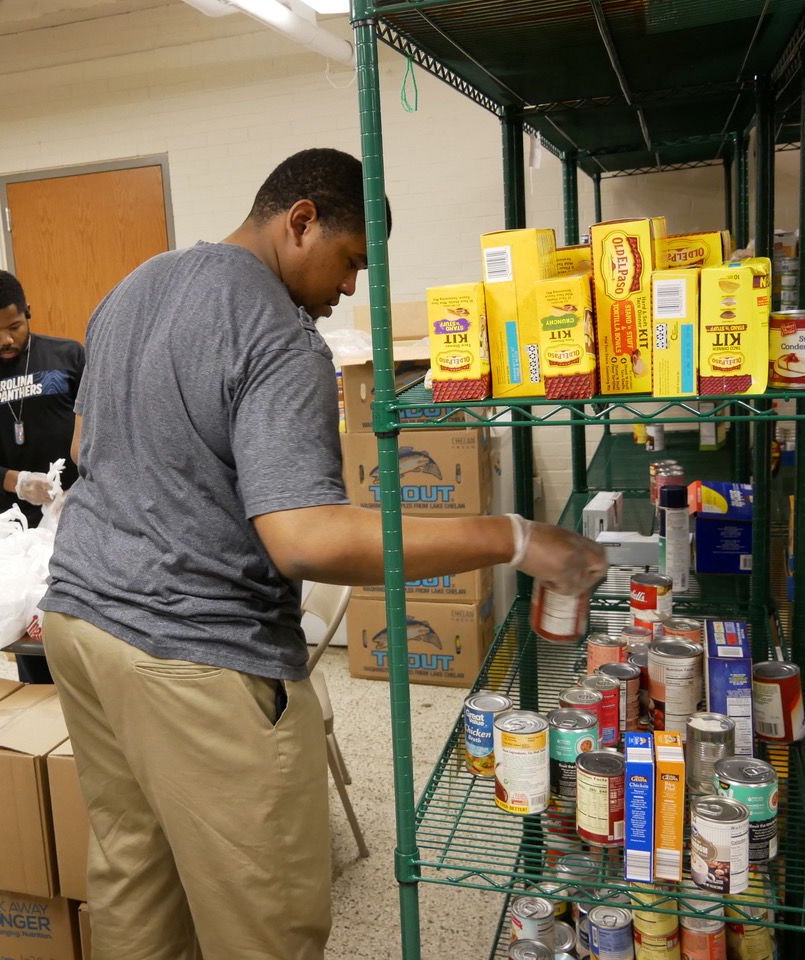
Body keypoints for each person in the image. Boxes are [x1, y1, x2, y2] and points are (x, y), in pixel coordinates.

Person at [39, 147, 607, 959]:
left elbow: (86, 443)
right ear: (299, 220)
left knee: (135, 874)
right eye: (349, 263)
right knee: (262, 917)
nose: (348, 290)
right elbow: (302, 538)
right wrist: (514, 537)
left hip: (79, 623)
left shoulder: (135, 285)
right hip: (191, 656)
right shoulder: (276, 336)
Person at [0, 268, 83, 683]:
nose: (6, 339)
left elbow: (105, 424)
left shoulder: (68, 357)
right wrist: (16, 481)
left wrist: (86, 484)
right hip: (14, 522)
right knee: (26, 628)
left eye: (15, 326)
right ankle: (40, 711)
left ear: (28, 313)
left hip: (78, 508)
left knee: (83, 622)